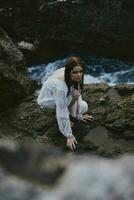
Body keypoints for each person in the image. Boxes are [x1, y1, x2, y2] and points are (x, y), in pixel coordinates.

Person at [37, 56, 93, 150]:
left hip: (63, 97)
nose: (79, 75)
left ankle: (73, 113)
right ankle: (67, 119)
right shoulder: (60, 87)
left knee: (84, 107)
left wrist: (79, 115)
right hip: (47, 101)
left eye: (81, 71)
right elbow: (62, 111)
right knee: (66, 108)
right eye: (75, 72)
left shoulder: (71, 75)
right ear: (69, 72)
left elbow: (77, 92)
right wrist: (69, 135)